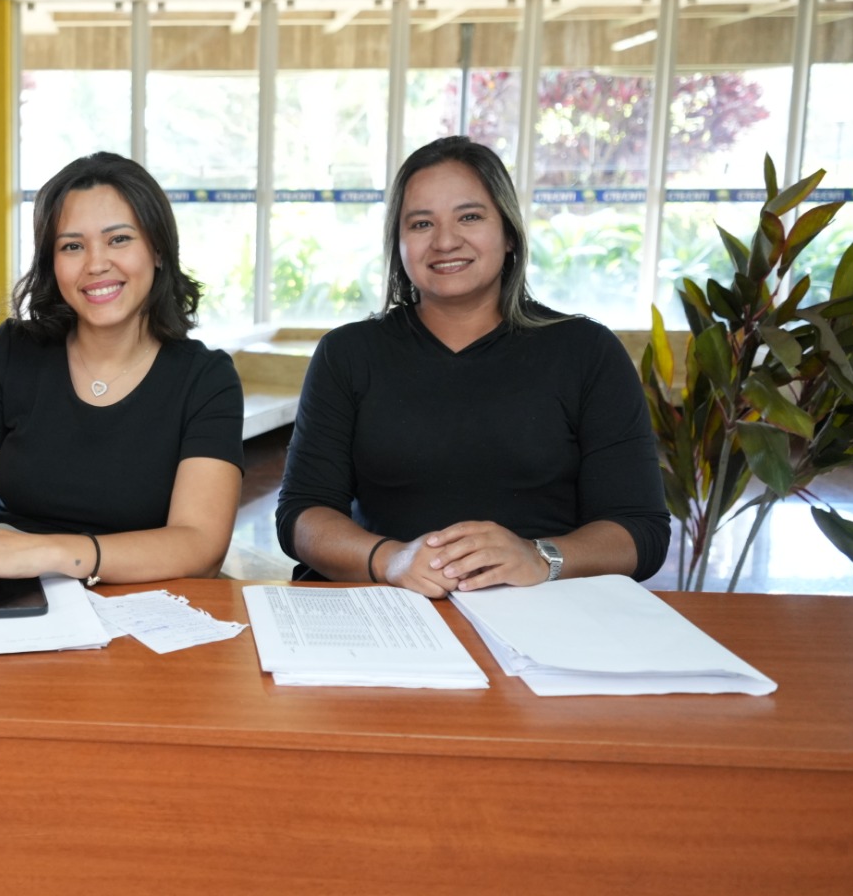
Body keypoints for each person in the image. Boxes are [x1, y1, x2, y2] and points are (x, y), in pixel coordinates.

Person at [275, 136, 668, 596]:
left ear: (509, 232)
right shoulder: (347, 353)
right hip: (388, 606)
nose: (445, 241)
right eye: (422, 223)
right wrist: (391, 559)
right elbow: (302, 514)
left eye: (470, 217)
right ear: (399, 243)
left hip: (544, 610)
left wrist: (539, 556)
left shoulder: (587, 351)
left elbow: (639, 529)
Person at [0, 152, 244, 619]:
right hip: (3, 599)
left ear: (158, 250)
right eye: (71, 246)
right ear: (52, 262)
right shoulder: (13, 350)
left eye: (119, 239)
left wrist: (43, 553)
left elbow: (200, 545)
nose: (96, 264)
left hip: (142, 611)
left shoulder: (206, 378)